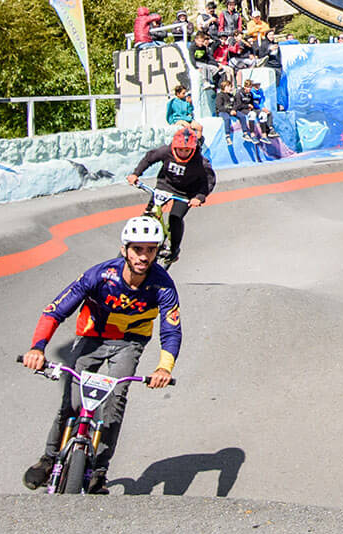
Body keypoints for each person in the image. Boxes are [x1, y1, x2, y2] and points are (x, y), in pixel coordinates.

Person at [20, 211, 180, 494]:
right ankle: (48, 459)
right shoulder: (100, 275)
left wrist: (164, 368)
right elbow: (55, 310)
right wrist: (37, 348)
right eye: (137, 250)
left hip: (130, 343)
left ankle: (99, 472)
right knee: (71, 401)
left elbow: (171, 330)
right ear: (125, 250)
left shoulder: (163, 284)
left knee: (114, 403)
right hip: (92, 337)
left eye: (151, 250)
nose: (144, 257)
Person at [123, 123, 217, 267]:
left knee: (175, 218)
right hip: (165, 185)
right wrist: (135, 174)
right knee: (148, 214)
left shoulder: (200, 162)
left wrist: (199, 197)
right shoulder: (166, 151)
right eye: (180, 150)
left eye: (187, 150)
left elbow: (209, 181)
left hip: (186, 193)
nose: (183, 153)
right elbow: (149, 158)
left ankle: (174, 249)